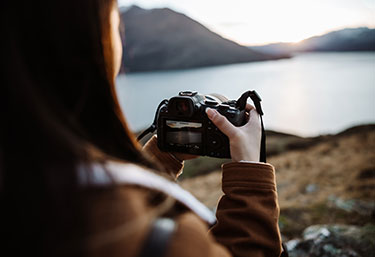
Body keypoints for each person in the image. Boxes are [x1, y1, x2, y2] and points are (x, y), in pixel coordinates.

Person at [1, 0, 283, 256]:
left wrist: (163, 157)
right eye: (113, 17)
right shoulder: (140, 236)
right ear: (84, 41)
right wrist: (249, 170)